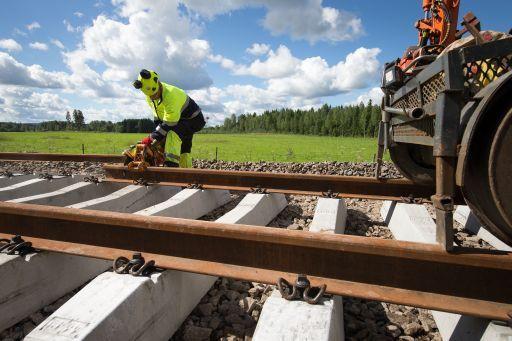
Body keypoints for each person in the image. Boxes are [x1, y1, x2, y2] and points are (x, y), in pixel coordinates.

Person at [132, 69, 205, 167]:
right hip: (178, 120)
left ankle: (170, 166)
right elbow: (158, 118)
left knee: (172, 134)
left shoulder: (171, 95)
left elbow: (170, 122)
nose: (153, 97)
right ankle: (187, 173)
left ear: (158, 83)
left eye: (155, 94)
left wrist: (151, 138)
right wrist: (157, 139)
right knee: (184, 148)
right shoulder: (149, 97)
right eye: (151, 96)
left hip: (194, 119)